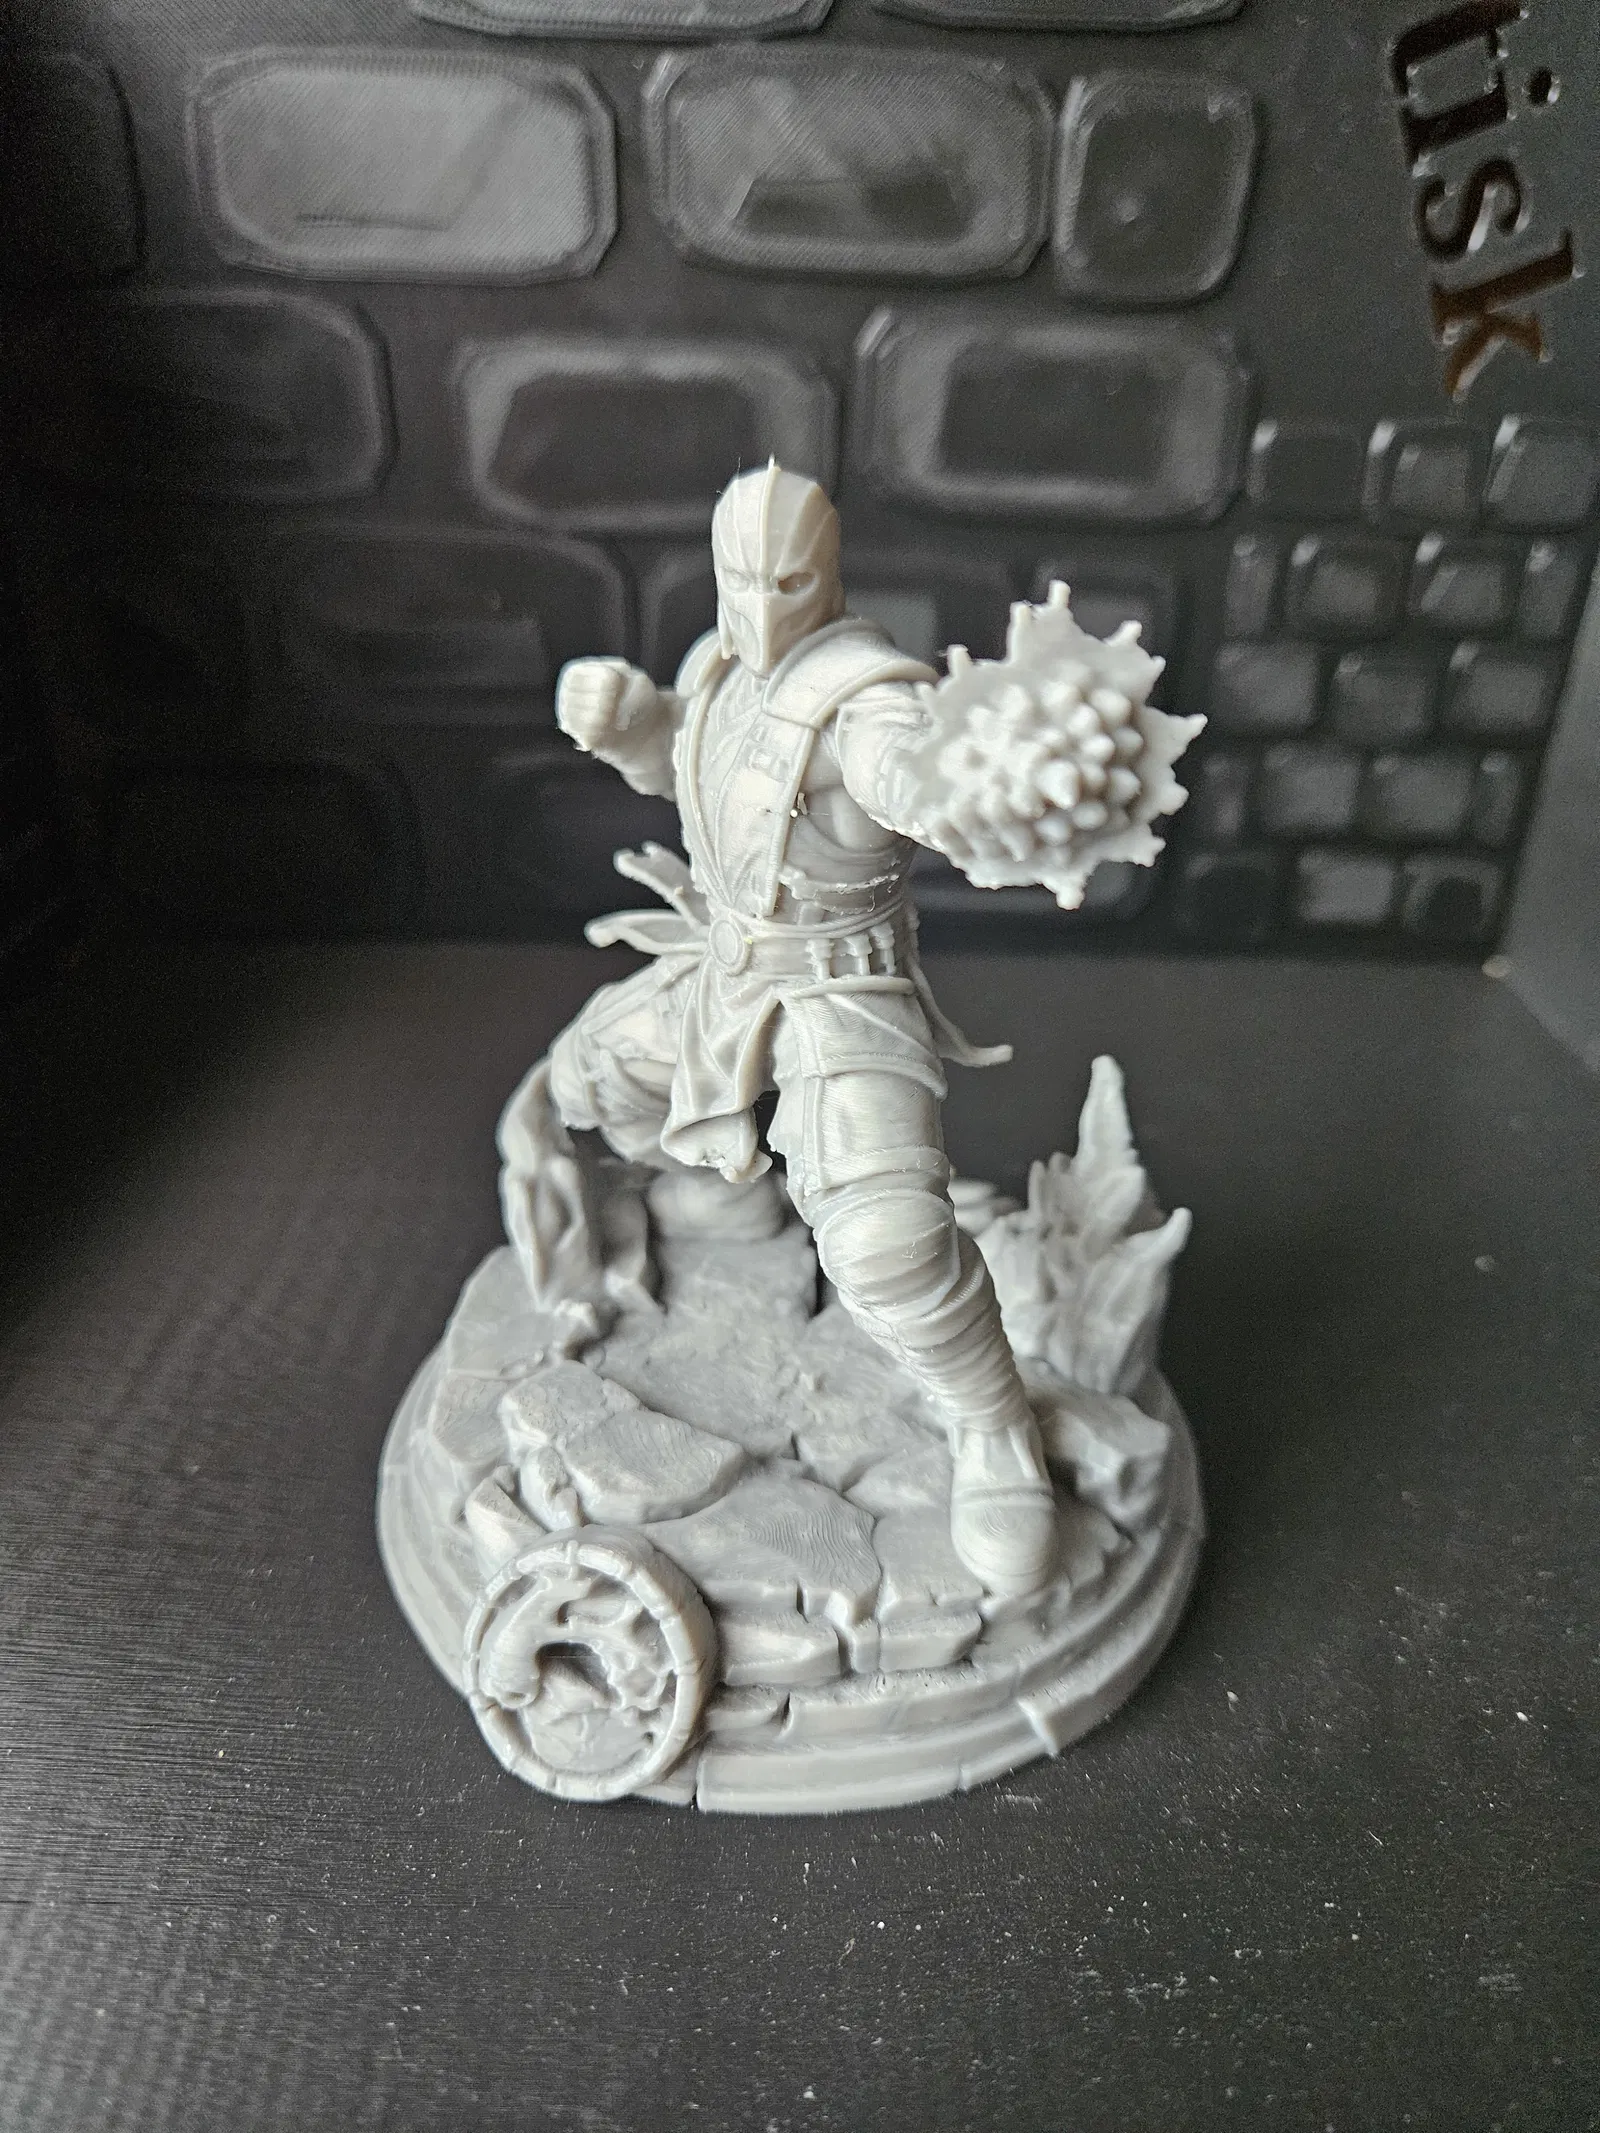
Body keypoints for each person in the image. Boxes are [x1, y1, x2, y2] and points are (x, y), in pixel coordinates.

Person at [544, 462, 1178, 1596]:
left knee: (888, 1247)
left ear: (827, 574)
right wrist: (636, 728)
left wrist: (984, 783)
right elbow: (701, 778)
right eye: (741, 579)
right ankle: (724, 1191)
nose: (759, 606)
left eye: (784, 581)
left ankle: (991, 1426)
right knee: (587, 1078)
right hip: (723, 968)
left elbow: (912, 778)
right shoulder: (718, 665)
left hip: (840, 994)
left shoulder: (868, 702)